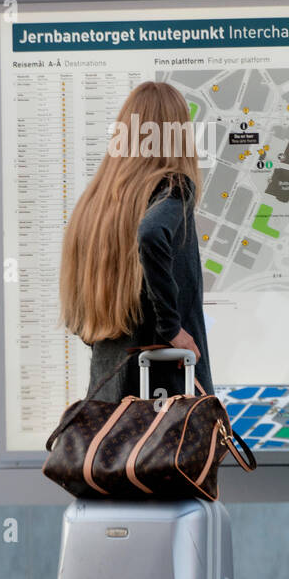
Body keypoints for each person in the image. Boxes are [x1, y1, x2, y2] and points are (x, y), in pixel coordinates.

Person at [59, 80, 212, 406]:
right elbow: (152, 233)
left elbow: (77, 316)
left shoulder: (96, 203)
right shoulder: (174, 186)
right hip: (168, 401)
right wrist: (171, 328)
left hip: (109, 407)